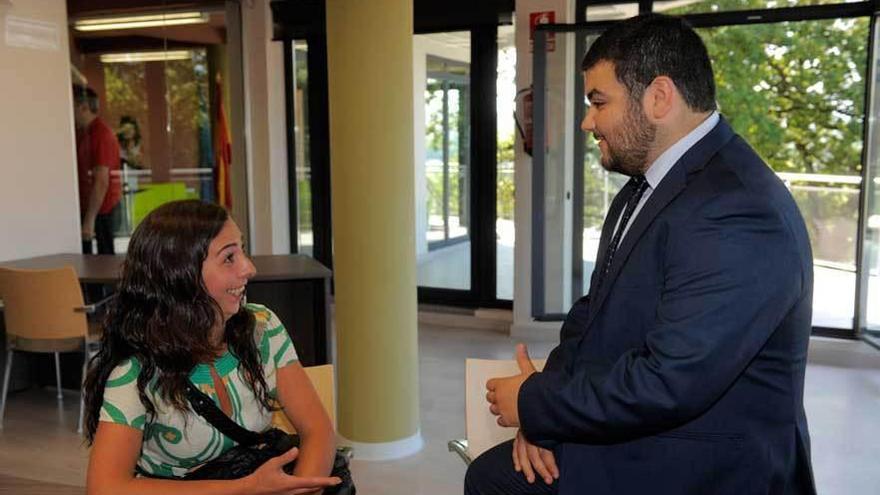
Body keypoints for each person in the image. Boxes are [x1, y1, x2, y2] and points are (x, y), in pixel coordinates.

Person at [468, 13, 815, 495]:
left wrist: (533, 405)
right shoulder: (643, 186)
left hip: (702, 462)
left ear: (658, 97)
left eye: (598, 102)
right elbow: (592, 314)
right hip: (655, 429)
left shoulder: (737, 209)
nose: (587, 122)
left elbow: (669, 382)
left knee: (494, 482)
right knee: (495, 475)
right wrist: (543, 412)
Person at [83, 200, 341, 495]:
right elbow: (104, 487)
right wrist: (246, 488)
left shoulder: (263, 328)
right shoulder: (135, 371)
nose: (249, 268)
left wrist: (301, 489)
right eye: (229, 258)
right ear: (181, 276)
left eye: (242, 250)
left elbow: (318, 430)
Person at [73, 85, 122, 254]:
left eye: (72, 106)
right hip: (92, 209)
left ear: (84, 107)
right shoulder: (83, 133)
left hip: (102, 210)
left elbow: (101, 181)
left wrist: (89, 219)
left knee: (103, 262)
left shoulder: (101, 135)